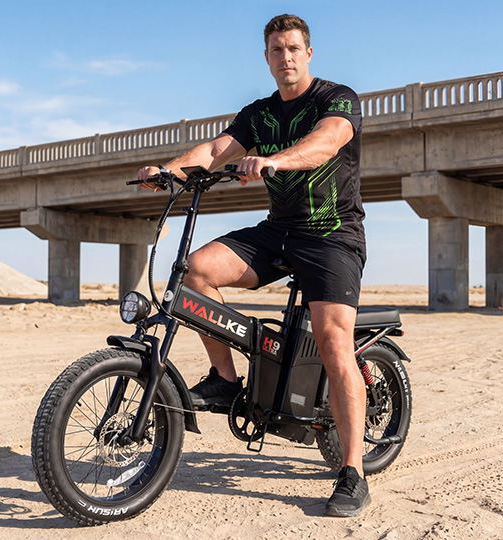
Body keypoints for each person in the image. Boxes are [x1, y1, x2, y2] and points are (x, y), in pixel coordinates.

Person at [137, 13, 369, 517]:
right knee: (194, 272)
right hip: (279, 230)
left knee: (333, 342)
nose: (285, 57)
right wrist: (168, 171)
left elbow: (327, 141)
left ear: (308, 53)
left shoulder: (336, 98)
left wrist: (274, 160)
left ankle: (352, 471)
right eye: (276, 50)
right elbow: (216, 149)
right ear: (266, 57)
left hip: (332, 235)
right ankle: (225, 380)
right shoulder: (259, 113)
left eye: (293, 48)